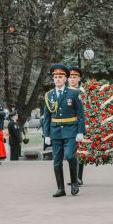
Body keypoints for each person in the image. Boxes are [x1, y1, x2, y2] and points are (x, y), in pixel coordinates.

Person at [42, 64, 85, 197]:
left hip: (71, 130)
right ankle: (60, 188)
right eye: (56, 77)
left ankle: (74, 183)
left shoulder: (73, 93)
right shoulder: (49, 95)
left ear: (65, 79)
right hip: (55, 132)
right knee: (57, 160)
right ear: (53, 79)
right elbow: (47, 117)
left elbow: (81, 114)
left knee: (71, 156)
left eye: (60, 77)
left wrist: (80, 131)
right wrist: (46, 134)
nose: (58, 79)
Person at [67, 65, 85, 185]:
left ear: (79, 79)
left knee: (80, 152)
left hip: (80, 125)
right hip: (68, 126)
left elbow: (85, 110)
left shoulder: (82, 92)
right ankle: (74, 177)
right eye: (70, 77)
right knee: (71, 153)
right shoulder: (65, 91)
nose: (72, 79)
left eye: (75, 77)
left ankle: (78, 177)